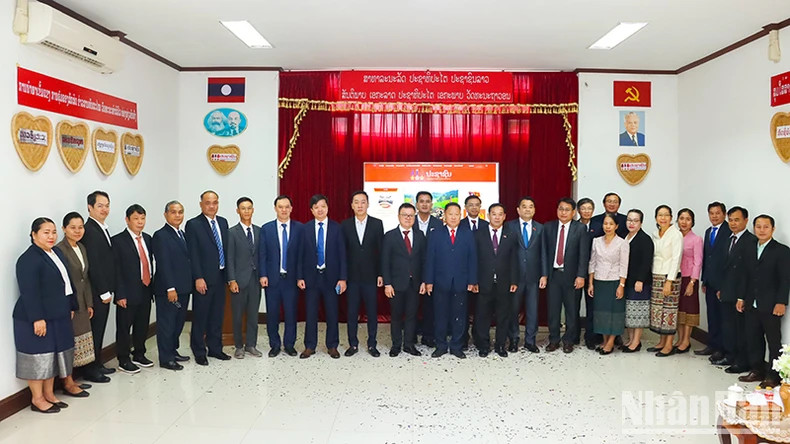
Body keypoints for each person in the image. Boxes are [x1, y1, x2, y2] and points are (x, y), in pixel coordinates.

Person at [14, 218, 78, 413]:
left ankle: (49, 394)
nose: (51, 236)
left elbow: (66, 282)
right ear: (34, 235)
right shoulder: (28, 258)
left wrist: (71, 305)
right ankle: (37, 398)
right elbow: (29, 291)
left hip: (58, 314)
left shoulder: (56, 252)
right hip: (36, 317)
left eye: (53, 232)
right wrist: (37, 318)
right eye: (45, 232)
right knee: (38, 357)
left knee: (52, 355)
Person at [738, 215, 790, 387]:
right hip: (751, 302)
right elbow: (745, 275)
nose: (761, 230)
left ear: (773, 229)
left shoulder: (782, 251)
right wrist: (741, 297)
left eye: (765, 227)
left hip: (771, 304)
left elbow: (785, 279)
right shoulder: (749, 248)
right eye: (758, 226)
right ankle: (757, 369)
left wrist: (781, 302)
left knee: (773, 341)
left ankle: (774, 376)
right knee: (753, 338)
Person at [297, 194, 347, 359]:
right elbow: (300, 256)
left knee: (332, 313)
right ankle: (309, 346)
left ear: (327, 208)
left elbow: (342, 255)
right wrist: (300, 277)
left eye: (323, 206)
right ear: (312, 210)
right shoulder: (305, 229)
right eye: (316, 207)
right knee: (310, 313)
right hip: (311, 278)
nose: (320, 209)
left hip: (331, 277)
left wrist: (343, 278)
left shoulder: (336, 228)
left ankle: (332, 345)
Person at [425, 202, 477, 359]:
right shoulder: (435, 233)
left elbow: (472, 259)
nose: (453, 217)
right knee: (440, 315)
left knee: (459, 315)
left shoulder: (467, 233)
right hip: (440, 282)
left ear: (460, 216)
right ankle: (440, 345)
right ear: (444, 216)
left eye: (456, 214)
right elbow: (430, 259)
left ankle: (456, 346)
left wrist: (472, 281)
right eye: (450, 214)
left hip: (461, 282)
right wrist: (428, 281)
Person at [185, 190, 231, 365]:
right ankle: (199, 351)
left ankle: (215, 349)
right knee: (201, 316)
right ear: (201, 204)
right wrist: (198, 277)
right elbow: (193, 253)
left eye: (215, 202)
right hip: (203, 279)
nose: (212, 206)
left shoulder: (223, 222)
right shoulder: (193, 224)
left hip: (220, 276)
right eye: (208, 203)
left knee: (217, 316)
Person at [542, 198, 589, 353]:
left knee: (571, 311)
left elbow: (583, 254)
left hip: (572, 277)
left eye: (567, 209)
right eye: (561, 209)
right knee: (553, 311)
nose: (563, 212)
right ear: (557, 210)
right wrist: (544, 274)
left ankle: (568, 340)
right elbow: (544, 253)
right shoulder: (548, 227)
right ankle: (554, 340)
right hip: (554, 275)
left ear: (573, 212)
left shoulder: (580, 228)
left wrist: (581, 276)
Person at [341, 191, 384, 357]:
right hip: (351, 278)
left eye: (363, 202)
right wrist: (343, 277)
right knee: (351, 313)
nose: (360, 205)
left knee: (372, 313)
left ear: (368, 204)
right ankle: (353, 344)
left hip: (371, 277)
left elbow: (381, 251)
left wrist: (381, 274)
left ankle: (372, 344)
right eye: (356, 202)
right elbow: (342, 254)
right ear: (352, 205)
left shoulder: (376, 224)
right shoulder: (344, 225)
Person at [54, 213, 92, 397]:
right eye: (73, 227)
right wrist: (69, 305)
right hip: (71, 304)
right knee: (70, 342)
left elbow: (85, 278)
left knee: (80, 341)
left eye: (80, 227)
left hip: (83, 303)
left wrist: (89, 302)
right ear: (64, 229)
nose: (77, 231)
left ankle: (73, 379)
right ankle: (67, 382)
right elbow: (64, 282)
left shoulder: (82, 247)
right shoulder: (59, 250)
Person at [112, 204, 154, 374]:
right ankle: (123, 359)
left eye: (142, 218)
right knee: (124, 327)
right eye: (136, 218)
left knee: (142, 325)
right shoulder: (118, 241)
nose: (140, 222)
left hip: (145, 289)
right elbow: (116, 269)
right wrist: (119, 293)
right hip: (127, 293)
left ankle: (139, 354)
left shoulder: (148, 239)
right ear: (127, 220)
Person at [472, 203, 518, 357]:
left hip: (504, 284)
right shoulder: (478, 234)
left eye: (500, 214)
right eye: (494, 214)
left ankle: (500, 346)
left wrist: (514, 281)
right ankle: (483, 345)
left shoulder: (511, 234)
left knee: (503, 316)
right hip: (483, 283)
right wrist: (474, 281)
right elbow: (474, 259)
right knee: (482, 316)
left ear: (505, 216)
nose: (497, 217)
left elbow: (514, 260)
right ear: (488, 215)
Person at [259, 195, 303, 357]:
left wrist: (300, 277)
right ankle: (275, 345)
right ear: (275, 208)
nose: (283, 210)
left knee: (291, 313)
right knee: (273, 314)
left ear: (291, 208)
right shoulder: (267, 228)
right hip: (272, 279)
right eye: (280, 207)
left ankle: (289, 344)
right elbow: (262, 254)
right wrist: (263, 274)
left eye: (286, 207)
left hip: (291, 280)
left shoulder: (300, 228)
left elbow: (301, 256)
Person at [381, 203, 427, 357]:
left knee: (412, 315)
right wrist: (387, 283)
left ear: (415, 217)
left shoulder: (420, 235)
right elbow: (384, 262)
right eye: (404, 215)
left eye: (411, 215)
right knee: (396, 316)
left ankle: (409, 345)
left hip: (415, 284)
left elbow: (424, 261)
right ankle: (396, 345)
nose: (408, 218)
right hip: (395, 284)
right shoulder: (390, 236)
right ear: (398, 216)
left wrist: (424, 281)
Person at [80, 191, 116, 383]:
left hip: (105, 289)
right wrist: (103, 291)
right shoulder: (90, 230)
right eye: (100, 205)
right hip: (96, 292)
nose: (105, 209)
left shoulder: (101, 228)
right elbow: (94, 264)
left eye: (107, 205)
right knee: (94, 329)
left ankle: (97, 363)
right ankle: (90, 369)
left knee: (100, 328)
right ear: (90, 207)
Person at [152, 201, 192, 371]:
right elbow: (164, 263)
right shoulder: (161, 235)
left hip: (183, 288)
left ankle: (173, 351)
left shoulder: (181, 233)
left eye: (180, 212)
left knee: (178, 322)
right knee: (167, 324)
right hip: (169, 289)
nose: (177, 215)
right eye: (174, 212)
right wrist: (170, 288)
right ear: (166, 215)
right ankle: (166, 358)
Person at [717, 206, 756, 374]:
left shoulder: (751, 241)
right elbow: (724, 267)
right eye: (730, 219)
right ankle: (730, 355)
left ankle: (742, 361)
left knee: (741, 329)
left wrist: (742, 296)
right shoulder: (728, 239)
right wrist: (721, 288)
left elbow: (748, 272)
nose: (733, 223)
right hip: (727, 291)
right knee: (728, 326)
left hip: (741, 293)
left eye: (737, 220)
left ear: (746, 221)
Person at [506, 196, 544, 353]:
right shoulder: (509, 226)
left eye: (530, 206)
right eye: (524, 206)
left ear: (534, 210)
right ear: (518, 210)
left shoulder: (541, 228)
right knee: (513, 309)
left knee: (532, 310)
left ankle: (530, 340)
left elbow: (544, 253)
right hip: (514, 277)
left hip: (534, 277)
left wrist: (544, 274)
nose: (527, 209)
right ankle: (514, 339)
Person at [587, 213, 629, 355]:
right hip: (599, 281)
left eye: (611, 224)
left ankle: (610, 342)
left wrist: (621, 285)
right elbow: (592, 263)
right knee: (601, 313)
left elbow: (624, 266)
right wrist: (591, 283)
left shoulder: (623, 243)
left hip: (614, 282)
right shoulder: (596, 241)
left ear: (616, 226)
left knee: (614, 313)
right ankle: (605, 341)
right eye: (605, 224)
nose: (608, 227)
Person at [226, 197, 262, 358]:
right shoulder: (232, 232)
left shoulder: (259, 231)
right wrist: (231, 279)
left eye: (249, 208)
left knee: (253, 314)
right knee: (238, 315)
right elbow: (230, 258)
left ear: (253, 210)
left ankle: (251, 345)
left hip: (256, 280)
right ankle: (239, 346)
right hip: (239, 281)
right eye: (243, 208)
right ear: (237, 211)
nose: (246, 211)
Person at [648, 205, 684, 357]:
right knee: (658, 310)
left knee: (669, 311)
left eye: (666, 215)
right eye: (660, 215)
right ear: (656, 218)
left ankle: (669, 344)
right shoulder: (655, 233)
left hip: (670, 277)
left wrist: (670, 280)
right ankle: (661, 341)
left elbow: (676, 258)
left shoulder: (676, 234)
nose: (663, 218)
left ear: (671, 217)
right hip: (656, 275)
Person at [697, 202, 731, 360]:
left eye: (718, 213)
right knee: (712, 315)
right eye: (711, 213)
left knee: (723, 317)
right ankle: (712, 344)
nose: (714, 216)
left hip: (722, 284)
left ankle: (722, 349)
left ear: (724, 214)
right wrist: (704, 280)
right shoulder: (708, 231)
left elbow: (728, 261)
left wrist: (724, 285)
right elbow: (706, 257)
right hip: (710, 281)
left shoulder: (729, 231)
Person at [458, 194, 488, 349]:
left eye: (477, 204)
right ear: (465, 207)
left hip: (482, 275)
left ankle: (479, 337)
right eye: (471, 204)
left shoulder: (487, 225)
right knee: (463, 308)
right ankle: (462, 338)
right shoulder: (459, 224)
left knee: (480, 309)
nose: (474, 207)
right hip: (462, 274)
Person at [622, 209, 654, 353]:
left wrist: (640, 280)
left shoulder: (644, 239)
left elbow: (646, 262)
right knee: (629, 312)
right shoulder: (624, 236)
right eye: (629, 220)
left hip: (639, 282)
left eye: (635, 220)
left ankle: (636, 342)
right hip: (626, 281)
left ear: (641, 222)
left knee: (638, 312)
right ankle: (630, 339)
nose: (631, 223)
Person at [414, 191, 442, 348]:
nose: (424, 204)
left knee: (430, 305)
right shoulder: (410, 221)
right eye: (421, 201)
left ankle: (428, 335)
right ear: (417, 204)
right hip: (412, 270)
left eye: (427, 201)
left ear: (432, 204)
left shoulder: (438, 224)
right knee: (412, 304)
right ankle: (411, 336)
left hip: (432, 270)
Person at [674, 209, 703, 354]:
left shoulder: (696, 239)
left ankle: (686, 341)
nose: (684, 222)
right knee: (679, 310)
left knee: (689, 310)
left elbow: (698, 261)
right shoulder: (675, 236)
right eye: (681, 218)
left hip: (689, 278)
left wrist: (692, 282)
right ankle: (679, 339)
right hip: (676, 277)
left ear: (692, 221)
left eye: (688, 219)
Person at [576, 197, 599, 349]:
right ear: (578, 210)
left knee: (592, 305)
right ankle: (574, 335)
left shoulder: (599, 227)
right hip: (577, 272)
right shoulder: (574, 226)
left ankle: (590, 336)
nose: (586, 211)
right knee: (574, 305)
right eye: (583, 208)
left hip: (594, 272)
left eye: (589, 208)